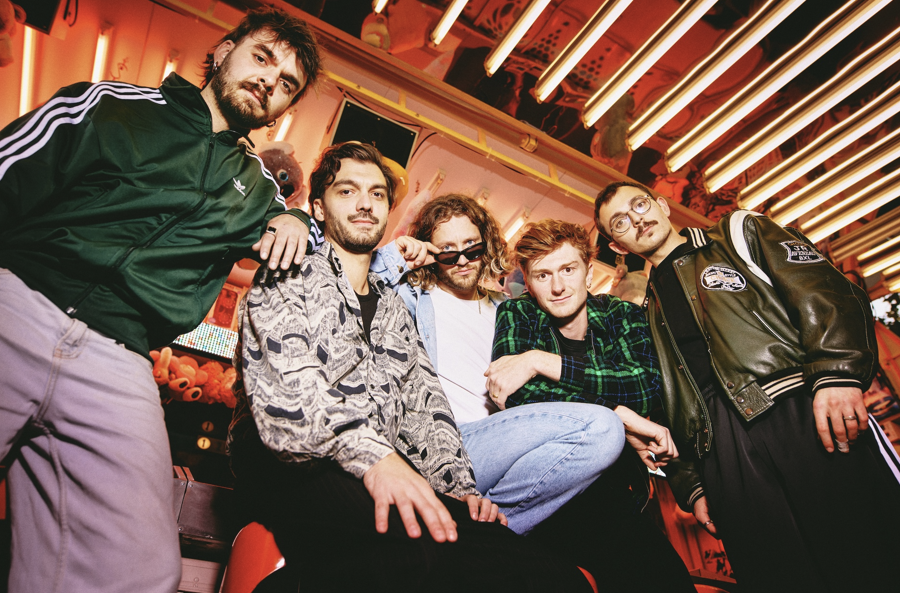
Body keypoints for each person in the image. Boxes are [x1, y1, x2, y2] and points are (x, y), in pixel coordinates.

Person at [0, 7, 322, 593]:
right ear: (222, 52)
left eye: (286, 83)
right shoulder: (111, 104)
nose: (268, 81)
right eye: (261, 57)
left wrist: (297, 220)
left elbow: (321, 250)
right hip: (18, 305)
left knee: (141, 572)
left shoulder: (256, 189)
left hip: (119, 358)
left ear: (283, 110)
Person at [227, 142, 594, 593]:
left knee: (552, 577)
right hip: (292, 464)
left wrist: (460, 488)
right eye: (347, 191)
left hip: (377, 467)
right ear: (319, 209)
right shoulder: (289, 274)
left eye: (377, 194)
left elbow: (426, 408)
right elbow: (292, 400)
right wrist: (379, 461)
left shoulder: (393, 309)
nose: (365, 204)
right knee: (411, 557)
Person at [595, 181, 900, 592]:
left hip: (799, 409)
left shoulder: (737, 235)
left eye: (640, 204)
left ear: (661, 205)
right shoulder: (646, 312)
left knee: (868, 548)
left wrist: (837, 373)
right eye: (620, 222)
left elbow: (820, 287)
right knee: (779, 575)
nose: (637, 220)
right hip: (721, 454)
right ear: (618, 246)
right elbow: (664, 405)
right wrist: (693, 485)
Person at [370, 194, 626, 534]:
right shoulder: (412, 298)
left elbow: (553, 387)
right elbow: (353, 287)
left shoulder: (511, 309)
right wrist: (396, 255)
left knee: (604, 435)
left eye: (472, 248)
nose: (462, 260)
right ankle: (481, 527)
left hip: (510, 433)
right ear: (430, 251)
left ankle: (487, 529)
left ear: (486, 244)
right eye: (448, 251)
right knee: (604, 427)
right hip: (447, 440)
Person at [487, 218, 695, 592]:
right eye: (543, 275)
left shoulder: (621, 315)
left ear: (588, 270)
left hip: (620, 491)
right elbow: (518, 399)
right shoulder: (517, 314)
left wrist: (540, 361)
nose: (558, 286)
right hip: (548, 490)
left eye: (568, 269)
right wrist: (618, 414)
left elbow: (644, 386)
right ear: (528, 283)